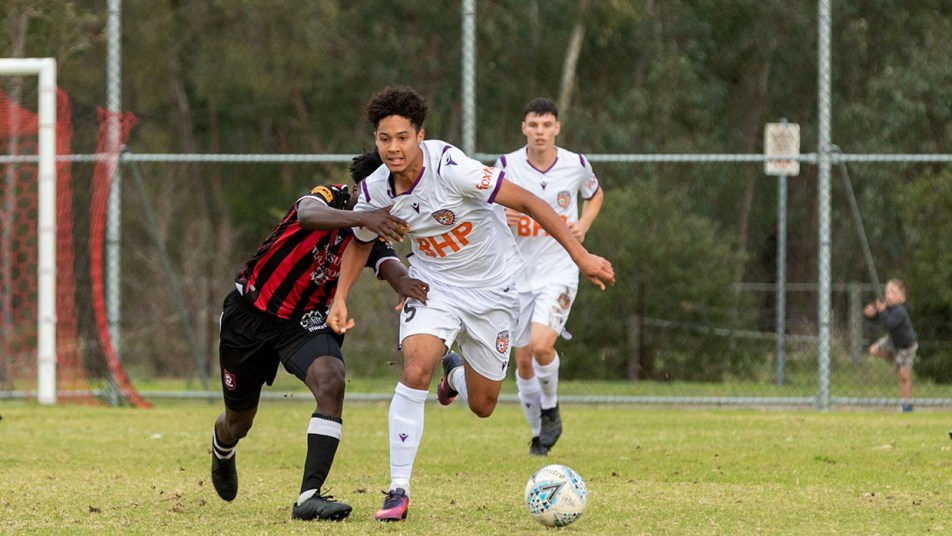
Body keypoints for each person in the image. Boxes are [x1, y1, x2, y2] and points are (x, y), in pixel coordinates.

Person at [327, 86, 615, 522]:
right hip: (433, 286)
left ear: (419, 135)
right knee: (416, 365)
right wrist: (340, 298)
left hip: (495, 292)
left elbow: (530, 201)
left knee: (483, 405)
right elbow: (360, 243)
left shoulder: (452, 168)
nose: (393, 148)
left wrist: (582, 255)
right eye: (384, 139)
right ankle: (397, 490)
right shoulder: (375, 190)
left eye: (402, 137)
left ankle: (456, 377)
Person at [209, 151, 429, 521]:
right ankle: (223, 446)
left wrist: (403, 281)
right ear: (365, 187)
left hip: (302, 324)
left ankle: (308, 497)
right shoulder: (332, 198)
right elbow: (307, 214)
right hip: (249, 315)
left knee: (331, 379)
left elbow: (386, 260)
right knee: (238, 421)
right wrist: (364, 216)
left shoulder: (369, 231)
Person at [494, 97, 604, 456]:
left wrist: (584, 224)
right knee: (523, 359)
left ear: (557, 128)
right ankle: (540, 434)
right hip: (517, 274)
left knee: (542, 346)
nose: (540, 132)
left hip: (558, 270)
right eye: (533, 125)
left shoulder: (575, 164)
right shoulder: (507, 165)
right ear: (524, 128)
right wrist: (500, 214)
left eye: (546, 125)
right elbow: (485, 201)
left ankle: (551, 406)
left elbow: (595, 193)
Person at [864, 278, 918, 412]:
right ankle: (895, 359)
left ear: (902, 297)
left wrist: (881, 311)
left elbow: (889, 323)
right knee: (873, 350)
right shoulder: (886, 306)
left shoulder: (900, 311)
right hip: (892, 341)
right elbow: (877, 316)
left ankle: (906, 405)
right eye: (887, 291)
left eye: (893, 292)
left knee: (904, 376)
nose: (888, 295)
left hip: (906, 347)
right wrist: (870, 313)